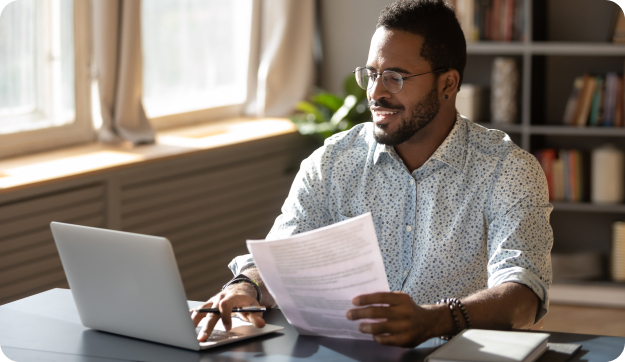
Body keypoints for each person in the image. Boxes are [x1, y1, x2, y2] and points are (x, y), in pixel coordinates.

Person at [191, 0, 553, 348]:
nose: (376, 92)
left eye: (395, 77)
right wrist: (244, 287)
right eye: (371, 74)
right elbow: (279, 259)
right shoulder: (333, 161)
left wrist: (435, 320)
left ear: (447, 84)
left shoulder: (508, 169)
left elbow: (523, 293)